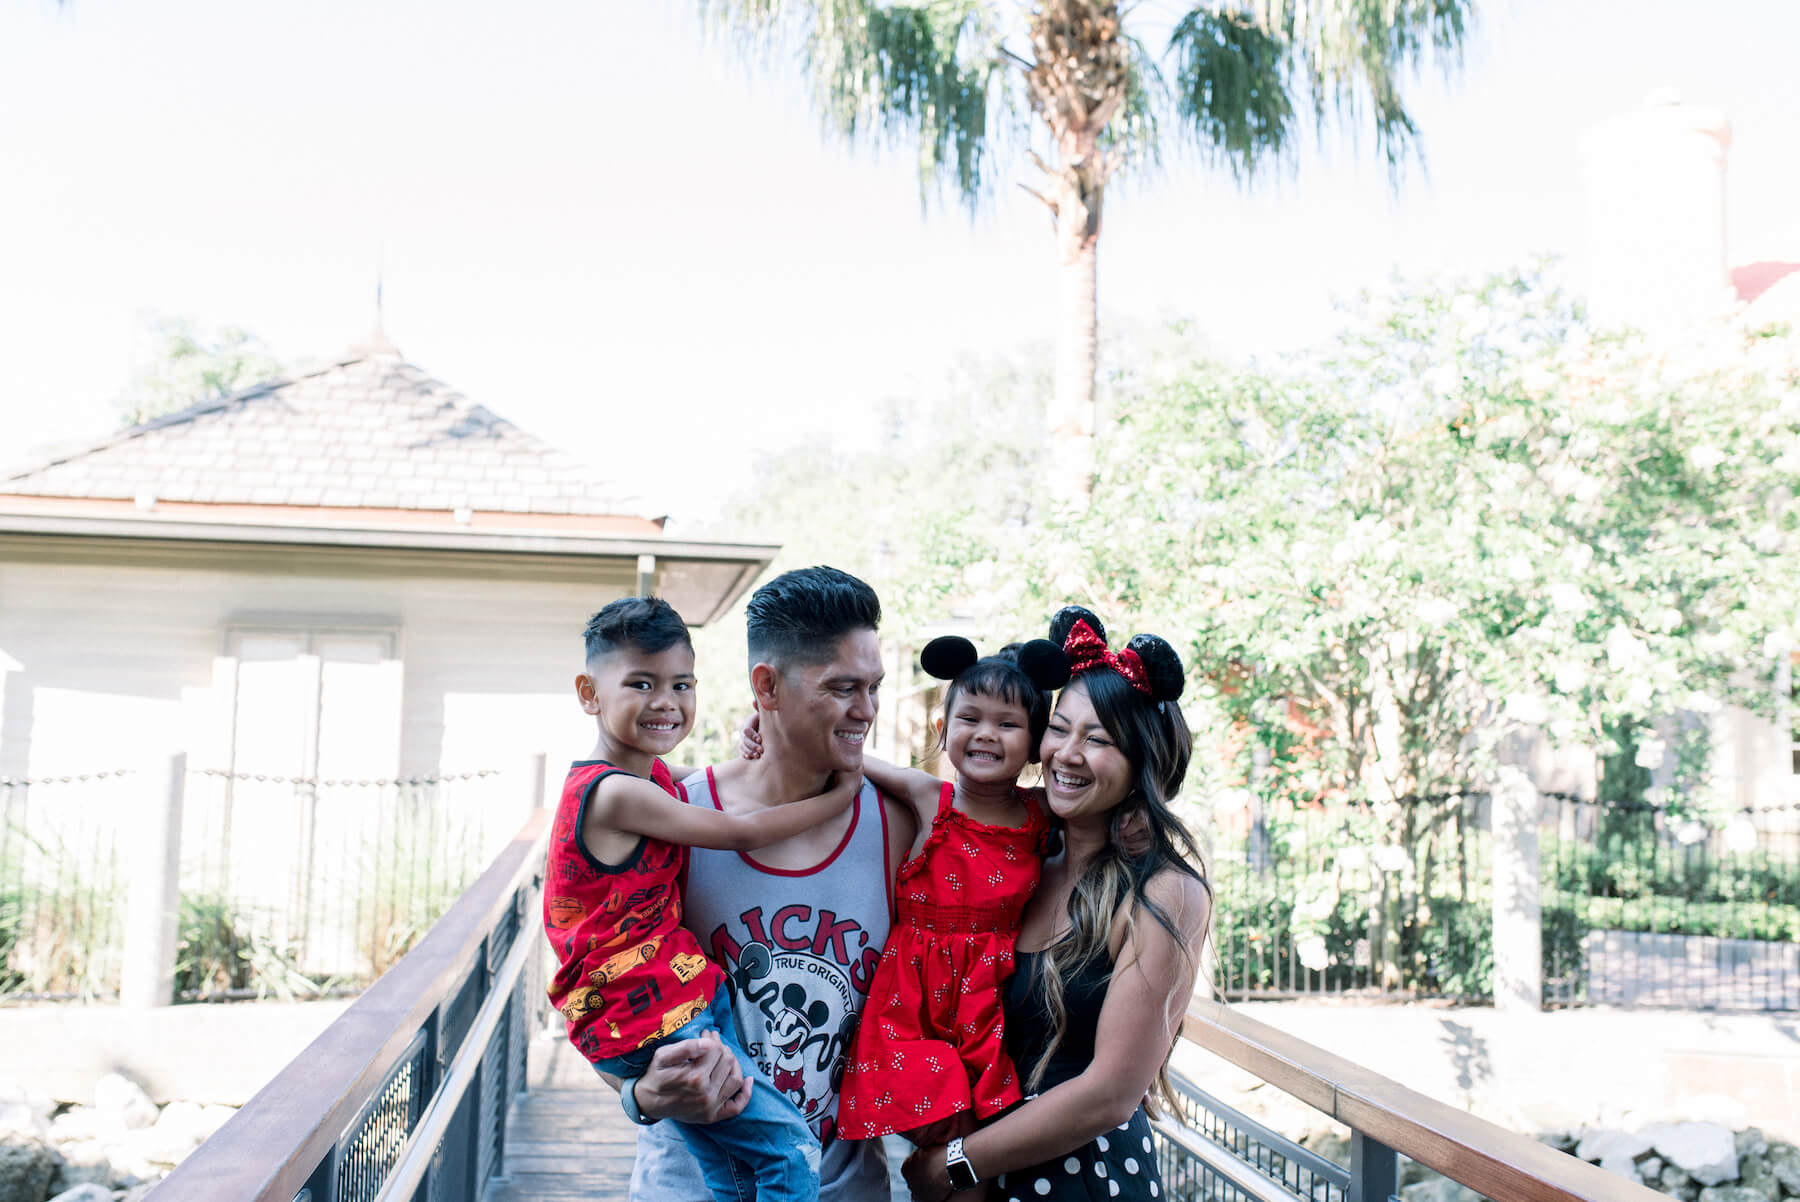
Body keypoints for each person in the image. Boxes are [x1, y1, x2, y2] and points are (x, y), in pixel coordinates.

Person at [542, 596, 859, 1202]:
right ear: (589, 693)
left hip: (665, 1004)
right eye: (642, 683)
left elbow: (705, 780)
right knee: (792, 1156)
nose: (667, 701)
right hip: (657, 1018)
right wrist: (838, 797)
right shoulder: (613, 794)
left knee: (736, 1175)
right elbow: (737, 830)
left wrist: (754, 742)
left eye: (682, 684)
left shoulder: (645, 777)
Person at [902, 606, 1212, 1202]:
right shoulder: (1022, 865)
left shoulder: (1163, 891)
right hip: (989, 1171)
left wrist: (952, 1166)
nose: (1066, 753)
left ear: (1140, 760)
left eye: (1097, 739)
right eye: (1060, 728)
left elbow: (1111, 1094)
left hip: (1082, 1181)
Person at [627, 566, 917, 1202]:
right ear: (767, 686)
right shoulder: (678, 816)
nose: (866, 710)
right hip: (692, 1184)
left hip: (842, 1188)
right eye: (842, 688)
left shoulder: (896, 823)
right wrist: (639, 1095)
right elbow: (610, 983)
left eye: (873, 688)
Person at [820, 636, 1069, 1144]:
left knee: (984, 1135)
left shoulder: (1044, 812)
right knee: (942, 1125)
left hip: (994, 997)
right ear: (943, 727)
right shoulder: (929, 796)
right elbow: (843, 756)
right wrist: (757, 732)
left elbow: (1112, 806)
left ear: (1036, 741)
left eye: (1007, 724)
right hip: (913, 1003)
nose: (986, 734)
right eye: (970, 718)